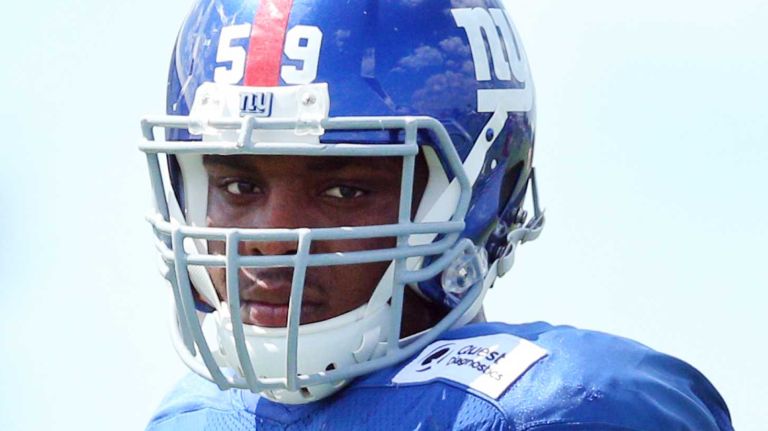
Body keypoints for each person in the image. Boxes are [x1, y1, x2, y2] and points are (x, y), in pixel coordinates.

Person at [139, 0, 734, 429]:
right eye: (239, 184)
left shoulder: (561, 408)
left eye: (345, 191)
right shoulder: (195, 415)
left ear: (473, 197)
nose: (269, 237)